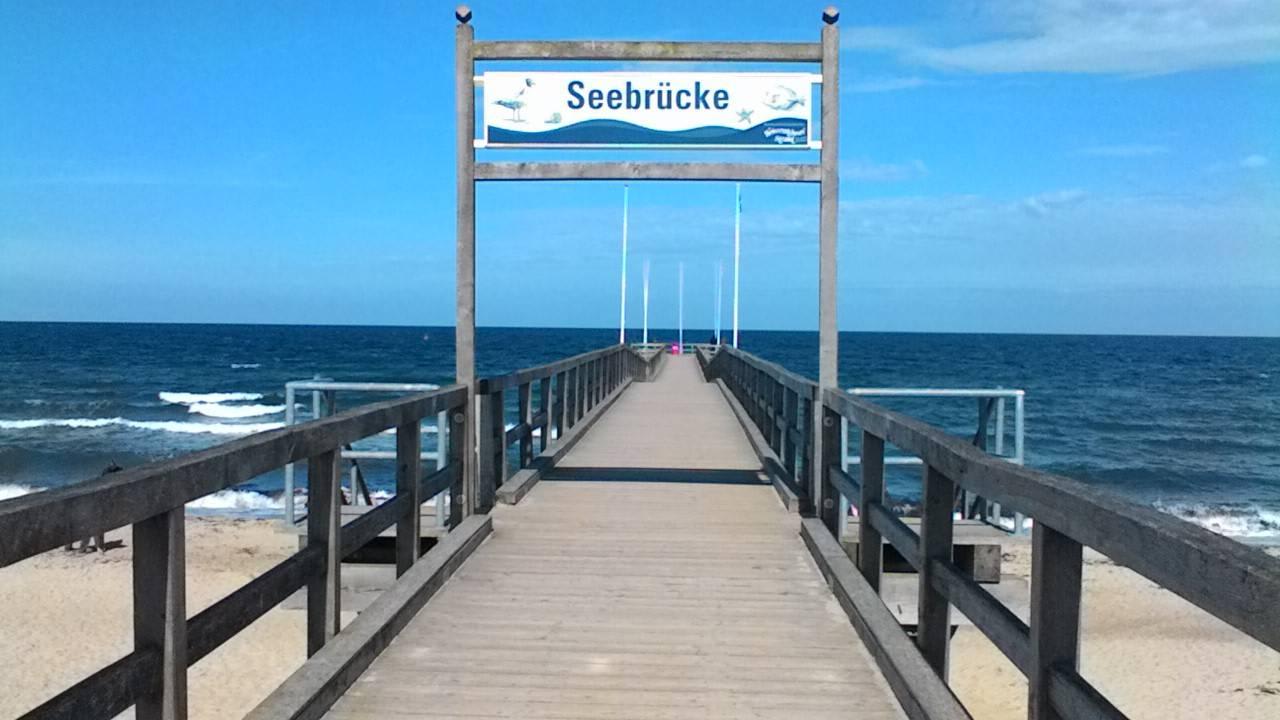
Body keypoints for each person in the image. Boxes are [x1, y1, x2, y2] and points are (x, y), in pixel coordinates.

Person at [64, 463, 121, 553]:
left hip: (80, 503)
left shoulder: (99, 483)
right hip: (89, 506)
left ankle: (71, 547)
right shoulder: (105, 486)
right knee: (93, 524)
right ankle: (89, 548)